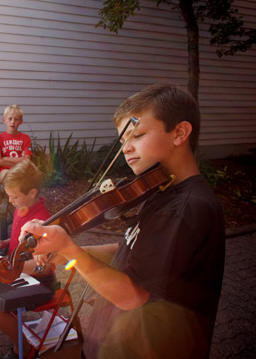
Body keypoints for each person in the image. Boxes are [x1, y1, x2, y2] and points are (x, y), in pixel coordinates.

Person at [21, 85, 225, 359]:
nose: (126, 148)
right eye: (122, 141)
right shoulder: (162, 191)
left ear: (179, 133)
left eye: (138, 135)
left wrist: (72, 249)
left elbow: (134, 296)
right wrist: (67, 254)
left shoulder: (184, 209)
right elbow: (131, 251)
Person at [0, 160, 55, 358]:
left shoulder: (43, 222)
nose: (10, 201)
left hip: (39, 281)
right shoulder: (22, 207)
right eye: (9, 196)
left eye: (14, 196)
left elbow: (45, 268)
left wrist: (9, 268)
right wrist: (4, 243)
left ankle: (22, 348)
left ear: (31, 193)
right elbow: (20, 241)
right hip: (17, 269)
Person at [0, 104, 32, 183]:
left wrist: (6, 158)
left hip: (20, 171)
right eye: (10, 119)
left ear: (21, 122)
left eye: (16, 119)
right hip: (4, 171)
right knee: (11, 178)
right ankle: (13, 195)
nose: (13, 122)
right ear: (4, 120)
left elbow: (27, 161)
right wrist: (20, 161)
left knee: (29, 178)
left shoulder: (25, 138)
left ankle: (16, 195)